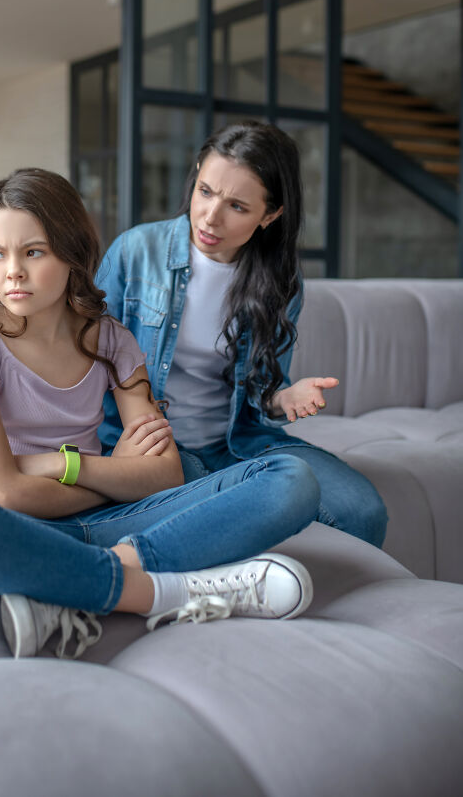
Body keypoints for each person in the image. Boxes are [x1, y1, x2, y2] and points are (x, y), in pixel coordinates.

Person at [0, 168, 320, 661]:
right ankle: (160, 592)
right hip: (16, 530)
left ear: (72, 252)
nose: (12, 270)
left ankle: (76, 579)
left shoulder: (113, 341)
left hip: (116, 522)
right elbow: (1, 493)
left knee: (291, 478)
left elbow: (163, 475)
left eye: (33, 252)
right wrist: (118, 472)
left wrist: (63, 463)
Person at [96, 121, 388, 549]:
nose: (210, 217)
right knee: (226, 500)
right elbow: (87, 357)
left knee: (362, 512)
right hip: (155, 447)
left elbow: (262, 391)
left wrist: (282, 398)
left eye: (237, 206)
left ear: (270, 215)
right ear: (196, 174)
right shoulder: (134, 252)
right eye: (206, 191)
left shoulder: (281, 283)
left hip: (237, 444)